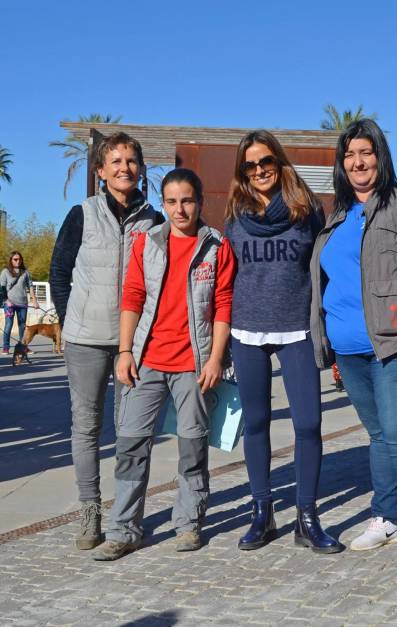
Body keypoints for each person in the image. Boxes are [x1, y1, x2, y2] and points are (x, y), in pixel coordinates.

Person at [310, 119, 397, 575]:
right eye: (350, 155)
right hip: (352, 350)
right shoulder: (337, 216)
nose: (358, 162)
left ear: (381, 157)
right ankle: (389, 517)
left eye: (366, 153)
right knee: (380, 436)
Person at [93, 168, 234, 560]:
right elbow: (132, 298)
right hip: (145, 362)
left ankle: (188, 524)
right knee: (131, 445)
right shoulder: (147, 243)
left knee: (192, 447)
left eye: (187, 200)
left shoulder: (216, 247)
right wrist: (124, 352)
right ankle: (124, 530)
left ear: (200, 202)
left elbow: (223, 305)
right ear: (163, 204)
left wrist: (216, 358)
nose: (179, 209)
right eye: (171, 201)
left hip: (194, 364)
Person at [224, 130, 343, 554]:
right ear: (243, 171)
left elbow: (325, 267)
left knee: (309, 423)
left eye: (266, 162)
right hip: (247, 331)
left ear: (280, 162)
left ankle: (306, 518)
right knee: (256, 424)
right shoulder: (235, 214)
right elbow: (226, 278)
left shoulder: (306, 209)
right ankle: (263, 512)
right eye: (250, 166)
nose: (259, 171)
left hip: (297, 328)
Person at [50, 132, 164, 550]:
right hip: (86, 341)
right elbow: (60, 273)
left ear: (140, 168)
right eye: (115, 161)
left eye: (131, 161)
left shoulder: (153, 221)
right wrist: (68, 321)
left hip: (133, 343)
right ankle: (90, 510)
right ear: (100, 170)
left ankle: (126, 514)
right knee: (86, 427)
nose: (124, 168)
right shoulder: (81, 214)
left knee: (132, 431)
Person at [1, 251, 39, 354]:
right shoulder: (5, 272)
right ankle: (6, 347)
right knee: (9, 324)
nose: (18, 261)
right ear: (11, 260)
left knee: (22, 326)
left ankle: (23, 347)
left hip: (23, 304)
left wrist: (34, 301)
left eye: (19, 259)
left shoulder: (25, 272)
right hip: (10, 304)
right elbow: (2, 288)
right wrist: (6, 300)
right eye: (15, 259)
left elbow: (30, 286)